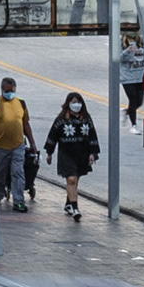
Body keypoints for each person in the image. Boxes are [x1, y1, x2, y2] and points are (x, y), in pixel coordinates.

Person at [45, 91, 101, 222]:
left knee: (75, 179)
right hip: (66, 154)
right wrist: (49, 153)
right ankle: (75, 208)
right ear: (68, 104)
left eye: (78, 102)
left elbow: (92, 136)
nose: (76, 105)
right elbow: (53, 135)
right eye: (73, 102)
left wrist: (93, 153)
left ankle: (69, 203)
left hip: (81, 154)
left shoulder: (87, 119)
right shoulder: (61, 120)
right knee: (71, 179)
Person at [0, 78, 33, 212]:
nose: (10, 93)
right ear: (2, 89)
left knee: (18, 173)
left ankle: (19, 201)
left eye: (12, 90)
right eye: (7, 90)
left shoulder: (20, 103)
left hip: (17, 145)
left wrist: (32, 143)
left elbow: (25, 124)